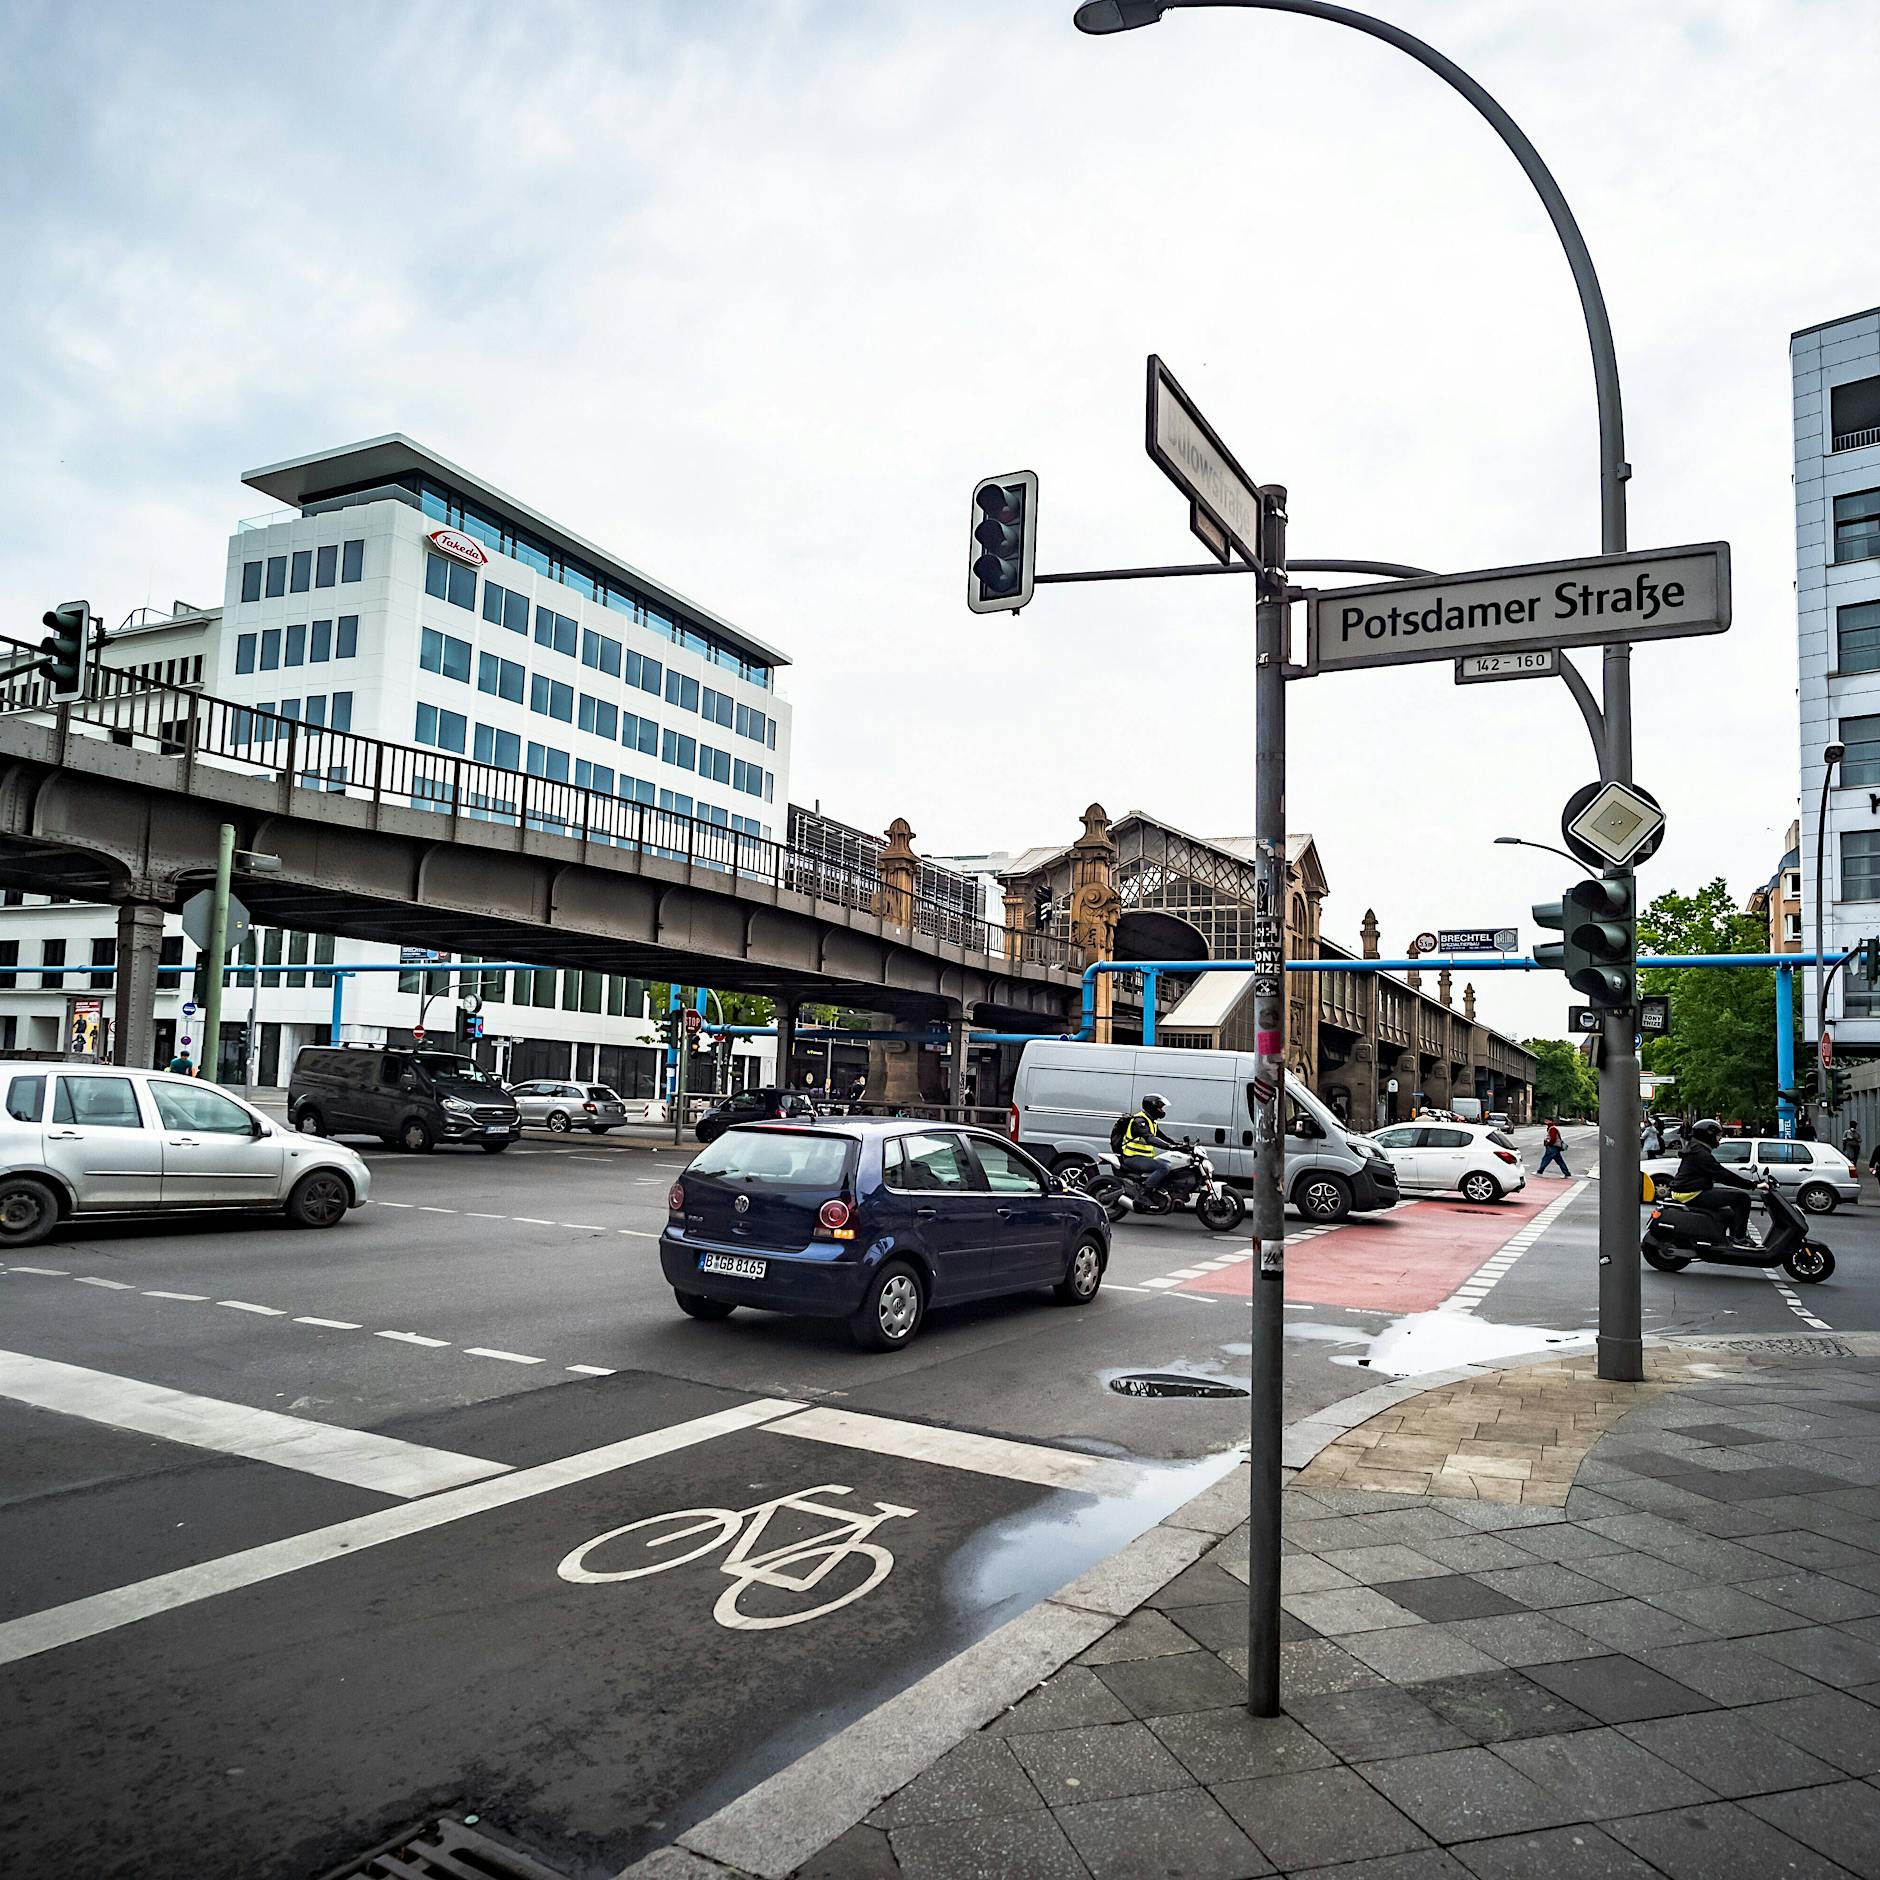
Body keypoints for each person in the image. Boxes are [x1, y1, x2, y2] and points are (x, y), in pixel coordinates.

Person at [1669, 1117, 1759, 1244]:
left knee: (1729, 1210)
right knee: (1742, 1198)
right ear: (1708, 1136)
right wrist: (1752, 1185)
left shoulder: (1695, 1148)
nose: (1720, 1139)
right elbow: (1722, 1175)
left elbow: (1719, 1173)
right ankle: (1739, 1238)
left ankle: (1729, 1238)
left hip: (1689, 1191)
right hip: (1691, 1193)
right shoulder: (1701, 1153)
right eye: (1718, 1135)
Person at [1119, 1092, 1184, 1193]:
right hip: (1133, 1158)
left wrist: (1179, 1144)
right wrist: (1170, 1147)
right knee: (1163, 1168)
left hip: (1143, 1157)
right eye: (1160, 1108)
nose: (1161, 1110)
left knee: (1170, 1165)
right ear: (1152, 1107)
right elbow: (1150, 1139)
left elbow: (1162, 1136)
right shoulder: (1140, 1121)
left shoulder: (1151, 1121)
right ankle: (1144, 1191)